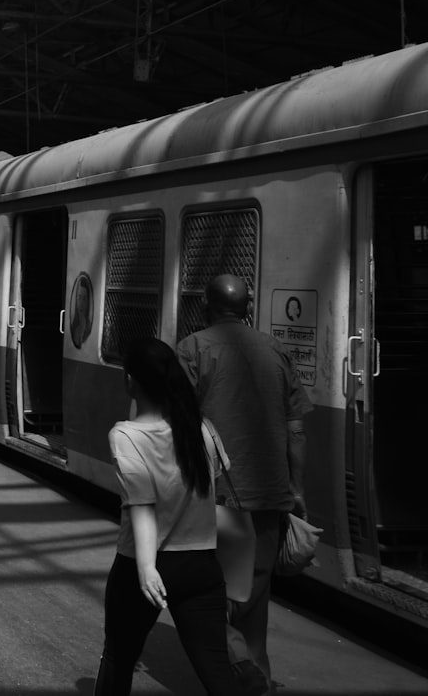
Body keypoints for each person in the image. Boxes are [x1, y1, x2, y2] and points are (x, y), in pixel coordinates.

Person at [176, 274, 311, 696]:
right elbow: (295, 430)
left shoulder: (193, 349)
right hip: (271, 493)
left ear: (204, 306)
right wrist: (297, 489)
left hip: (221, 494)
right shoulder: (276, 350)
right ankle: (259, 680)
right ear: (247, 307)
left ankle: (241, 670)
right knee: (254, 598)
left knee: (211, 595)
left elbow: (177, 424)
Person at [95, 337, 238, 696]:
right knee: (218, 672)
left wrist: (146, 568)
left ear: (130, 381)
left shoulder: (126, 436)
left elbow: (141, 506)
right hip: (202, 566)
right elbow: (217, 487)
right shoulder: (200, 428)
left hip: (142, 567)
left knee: (118, 661)